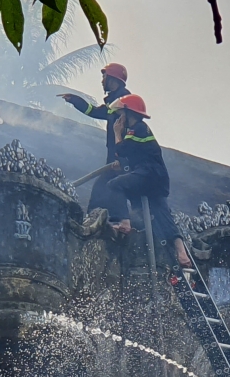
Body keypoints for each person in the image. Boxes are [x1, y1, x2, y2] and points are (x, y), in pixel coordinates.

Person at [85, 94, 192, 267]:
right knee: (163, 215)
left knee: (114, 184)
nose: (119, 119)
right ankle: (182, 254)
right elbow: (137, 155)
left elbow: (123, 149)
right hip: (156, 179)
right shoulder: (142, 131)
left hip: (149, 175)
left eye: (121, 114)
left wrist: (117, 133)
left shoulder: (138, 129)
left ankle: (124, 222)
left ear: (129, 114)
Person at [59, 62, 131, 163]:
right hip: (114, 157)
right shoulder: (114, 102)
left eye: (104, 77)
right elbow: (93, 111)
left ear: (112, 80)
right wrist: (75, 100)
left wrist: (123, 160)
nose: (102, 82)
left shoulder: (124, 102)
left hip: (122, 158)